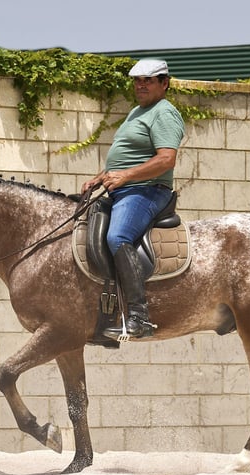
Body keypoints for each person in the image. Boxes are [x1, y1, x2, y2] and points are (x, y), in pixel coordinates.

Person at [81, 59, 185, 340]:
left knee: (118, 237)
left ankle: (139, 316)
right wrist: (101, 176)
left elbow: (166, 159)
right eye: (137, 80)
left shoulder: (163, 113)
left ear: (164, 83)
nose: (140, 85)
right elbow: (127, 156)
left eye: (148, 80)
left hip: (148, 191)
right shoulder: (138, 112)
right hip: (124, 188)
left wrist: (125, 177)